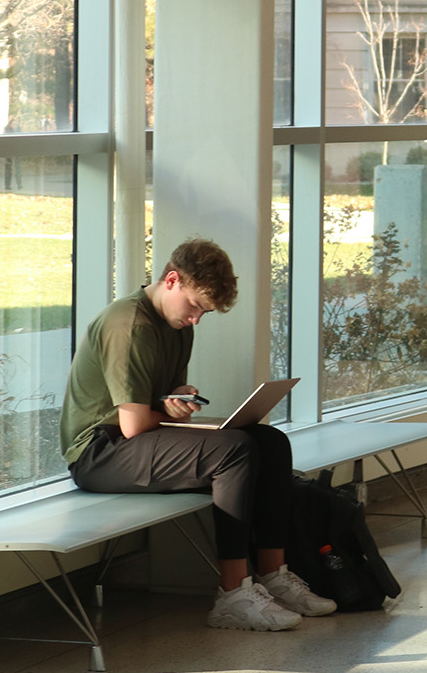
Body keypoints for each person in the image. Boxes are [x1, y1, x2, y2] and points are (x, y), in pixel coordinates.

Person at [59, 238, 336, 631]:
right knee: (235, 451)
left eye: (205, 312)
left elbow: (159, 408)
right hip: (99, 452)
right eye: (195, 306)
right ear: (171, 280)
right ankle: (233, 594)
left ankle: (274, 576)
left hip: (132, 442)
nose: (196, 319)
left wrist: (178, 401)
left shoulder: (177, 325)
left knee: (270, 442)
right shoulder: (129, 325)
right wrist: (168, 410)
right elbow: (134, 424)